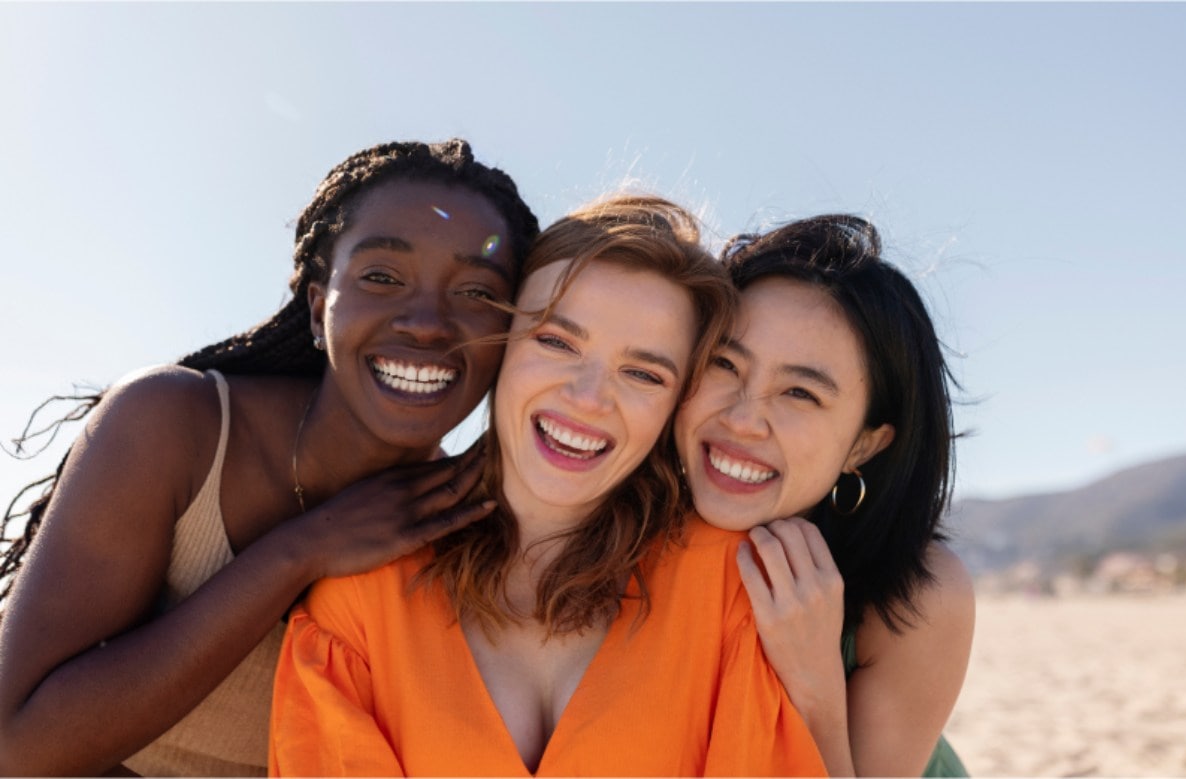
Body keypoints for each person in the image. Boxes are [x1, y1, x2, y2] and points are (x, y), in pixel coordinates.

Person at [0, 139, 539, 776]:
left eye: (477, 293)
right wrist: (300, 551)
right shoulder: (174, 426)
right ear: (318, 307)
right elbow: (18, 748)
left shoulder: (475, 535)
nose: (426, 323)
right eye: (382, 278)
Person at [269, 195, 826, 777]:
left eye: (642, 373)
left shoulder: (731, 589)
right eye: (556, 342)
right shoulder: (361, 601)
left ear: (678, 403)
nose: (587, 398)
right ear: (499, 344)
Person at [675, 214, 976, 777]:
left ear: (864, 443)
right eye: (724, 363)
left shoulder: (920, 596)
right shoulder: (630, 529)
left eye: (799, 393)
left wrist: (814, 686)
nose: (743, 420)